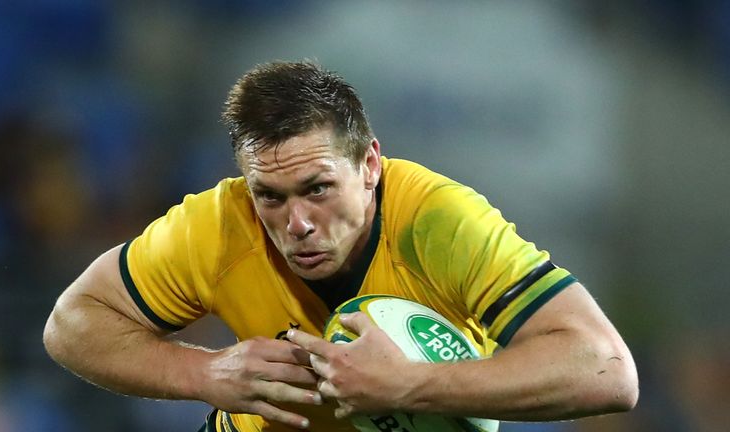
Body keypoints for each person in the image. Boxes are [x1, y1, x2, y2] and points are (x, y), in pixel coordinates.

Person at [43, 61, 638, 432]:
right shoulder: (219, 224)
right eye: (270, 196)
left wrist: (408, 385)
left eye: (318, 188)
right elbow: (72, 325)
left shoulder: (438, 222)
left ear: (371, 164)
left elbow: (609, 373)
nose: (296, 222)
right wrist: (205, 373)